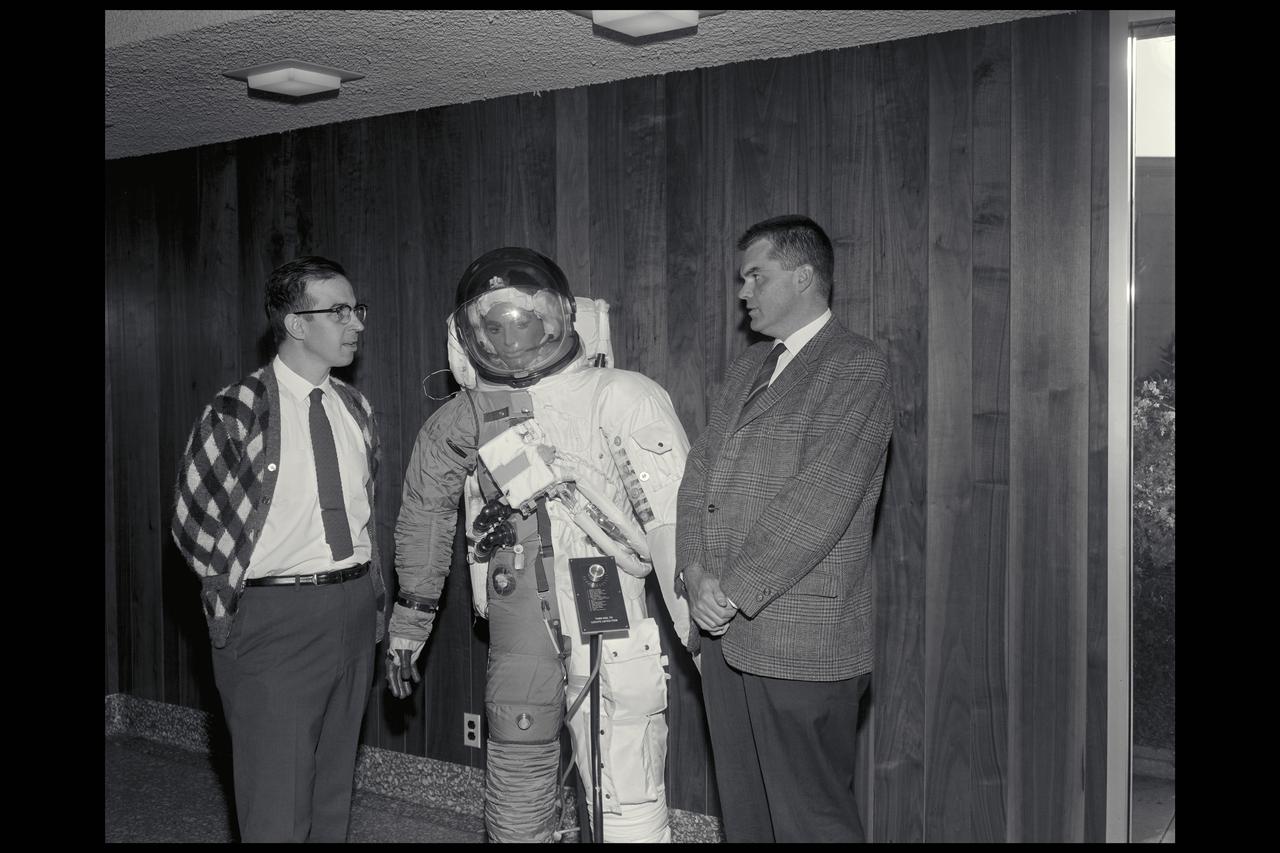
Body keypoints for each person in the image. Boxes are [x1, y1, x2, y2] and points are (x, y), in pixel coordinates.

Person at [386, 247, 695, 843]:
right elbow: (425, 513)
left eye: (523, 318)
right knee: (518, 758)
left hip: (605, 602)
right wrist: (410, 621)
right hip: (516, 617)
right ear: (469, 334)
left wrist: (701, 635)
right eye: (491, 325)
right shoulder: (467, 417)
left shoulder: (622, 395)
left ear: (559, 316)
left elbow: (672, 523)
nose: (510, 337)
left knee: (623, 760)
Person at [676, 215, 894, 843]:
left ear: (803, 276)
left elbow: (820, 500)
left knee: (811, 821)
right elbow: (700, 477)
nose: (742, 291)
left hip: (800, 642)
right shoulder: (748, 369)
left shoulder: (855, 367)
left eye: (755, 275)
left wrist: (734, 589)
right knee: (746, 816)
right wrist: (693, 572)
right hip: (723, 632)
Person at [171, 256, 386, 842]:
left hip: (353, 607)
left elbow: (365, 512)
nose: (356, 323)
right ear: (295, 323)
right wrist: (235, 599)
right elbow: (193, 521)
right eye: (339, 311)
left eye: (356, 309)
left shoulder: (355, 409)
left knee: (332, 787)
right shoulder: (236, 409)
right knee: (277, 797)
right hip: (273, 618)